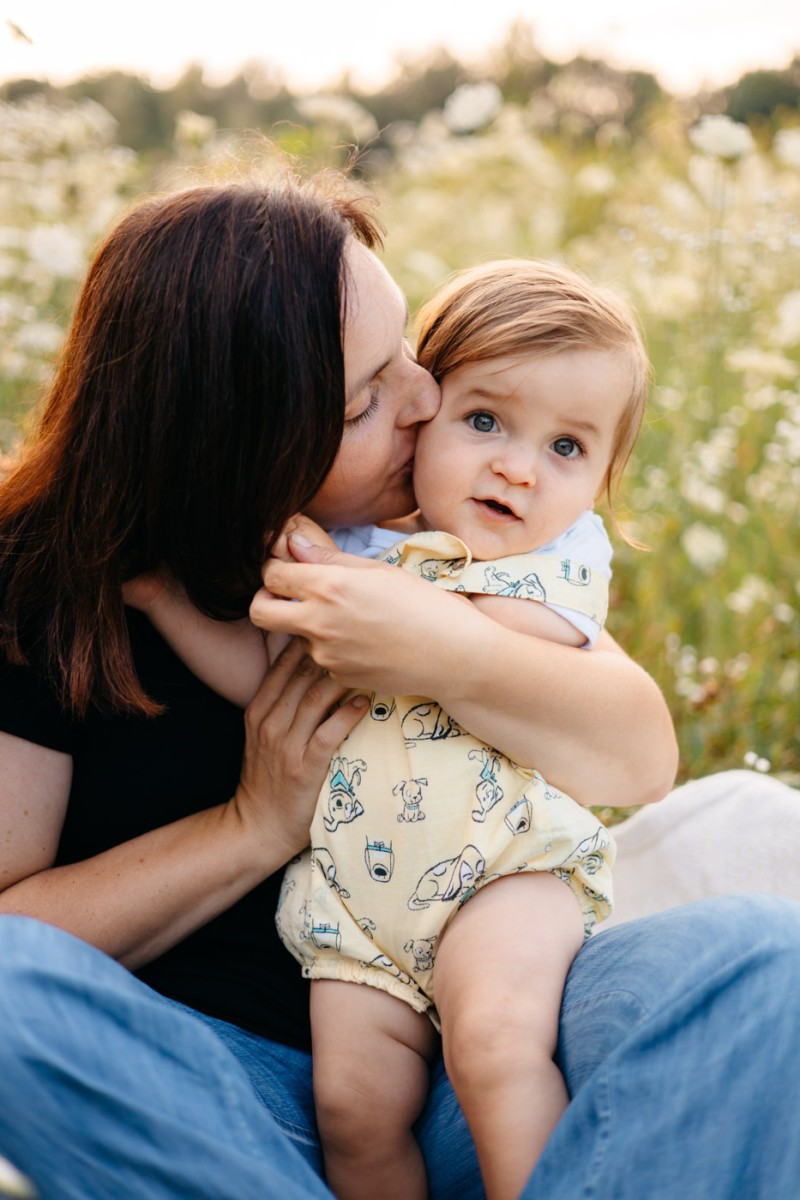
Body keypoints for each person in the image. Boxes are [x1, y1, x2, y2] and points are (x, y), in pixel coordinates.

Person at [0, 170, 797, 1200]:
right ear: (243, 438)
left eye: (409, 361)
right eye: (369, 395)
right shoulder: (40, 578)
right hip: (199, 1080)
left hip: (474, 1039)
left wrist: (442, 650)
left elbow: (638, 752)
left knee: (760, 956)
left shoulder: (418, 534)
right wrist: (251, 826)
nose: (426, 402)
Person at [135, 258, 648, 1200]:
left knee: (497, 1048)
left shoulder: (550, 567)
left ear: (603, 479)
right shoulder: (371, 542)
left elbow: (499, 647)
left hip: (502, 869)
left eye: (568, 449)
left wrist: (348, 586)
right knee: (352, 1109)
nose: (518, 466)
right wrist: (167, 597)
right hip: (359, 905)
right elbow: (273, 676)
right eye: (485, 420)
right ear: (425, 411)